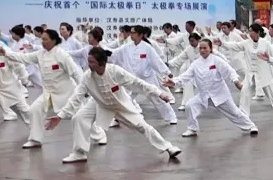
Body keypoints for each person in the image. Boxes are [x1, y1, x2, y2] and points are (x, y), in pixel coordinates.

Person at [46, 47, 180, 163]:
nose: (89, 64)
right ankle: (79, 153)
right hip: (98, 103)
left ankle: (168, 148)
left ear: (102, 63)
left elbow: (138, 83)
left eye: (92, 62)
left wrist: (159, 93)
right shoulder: (87, 77)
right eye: (89, 61)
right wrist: (60, 116)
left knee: (143, 126)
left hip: (121, 106)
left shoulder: (116, 71)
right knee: (78, 118)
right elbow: (76, 97)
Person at [0, 28, 108, 149]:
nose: (42, 42)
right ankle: (35, 139)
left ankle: (99, 135)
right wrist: (6, 53)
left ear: (54, 40)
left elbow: (76, 73)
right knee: (34, 110)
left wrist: (85, 90)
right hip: (48, 94)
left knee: (80, 117)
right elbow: (24, 58)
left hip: (67, 94)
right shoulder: (40, 54)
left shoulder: (62, 55)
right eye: (42, 39)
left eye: (45, 39)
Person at [173, 38, 257, 137]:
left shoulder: (216, 60)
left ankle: (251, 126)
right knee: (189, 106)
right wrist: (173, 82)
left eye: (205, 48)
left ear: (210, 48)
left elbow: (230, 71)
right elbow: (185, 76)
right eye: (201, 48)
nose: (203, 50)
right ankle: (192, 128)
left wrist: (236, 82)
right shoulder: (196, 64)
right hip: (204, 95)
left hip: (220, 94)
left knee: (235, 113)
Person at [214, 23, 273, 119]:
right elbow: (235, 46)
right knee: (245, 92)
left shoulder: (266, 43)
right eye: (249, 31)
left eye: (252, 31)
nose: (250, 33)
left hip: (264, 74)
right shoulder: (246, 43)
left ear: (258, 32)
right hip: (251, 74)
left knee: (272, 93)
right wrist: (222, 44)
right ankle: (243, 113)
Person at [111, 25, 177, 124]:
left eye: (133, 33)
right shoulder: (127, 47)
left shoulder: (147, 47)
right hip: (132, 78)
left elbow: (156, 61)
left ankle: (171, 117)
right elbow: (114, 53)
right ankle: (118, 118)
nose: (131, 35)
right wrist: (99, 50)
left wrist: (167, 72)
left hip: (147, 78)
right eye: (131, 33)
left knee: (157, 98)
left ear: (140, 35)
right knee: (125, 98)